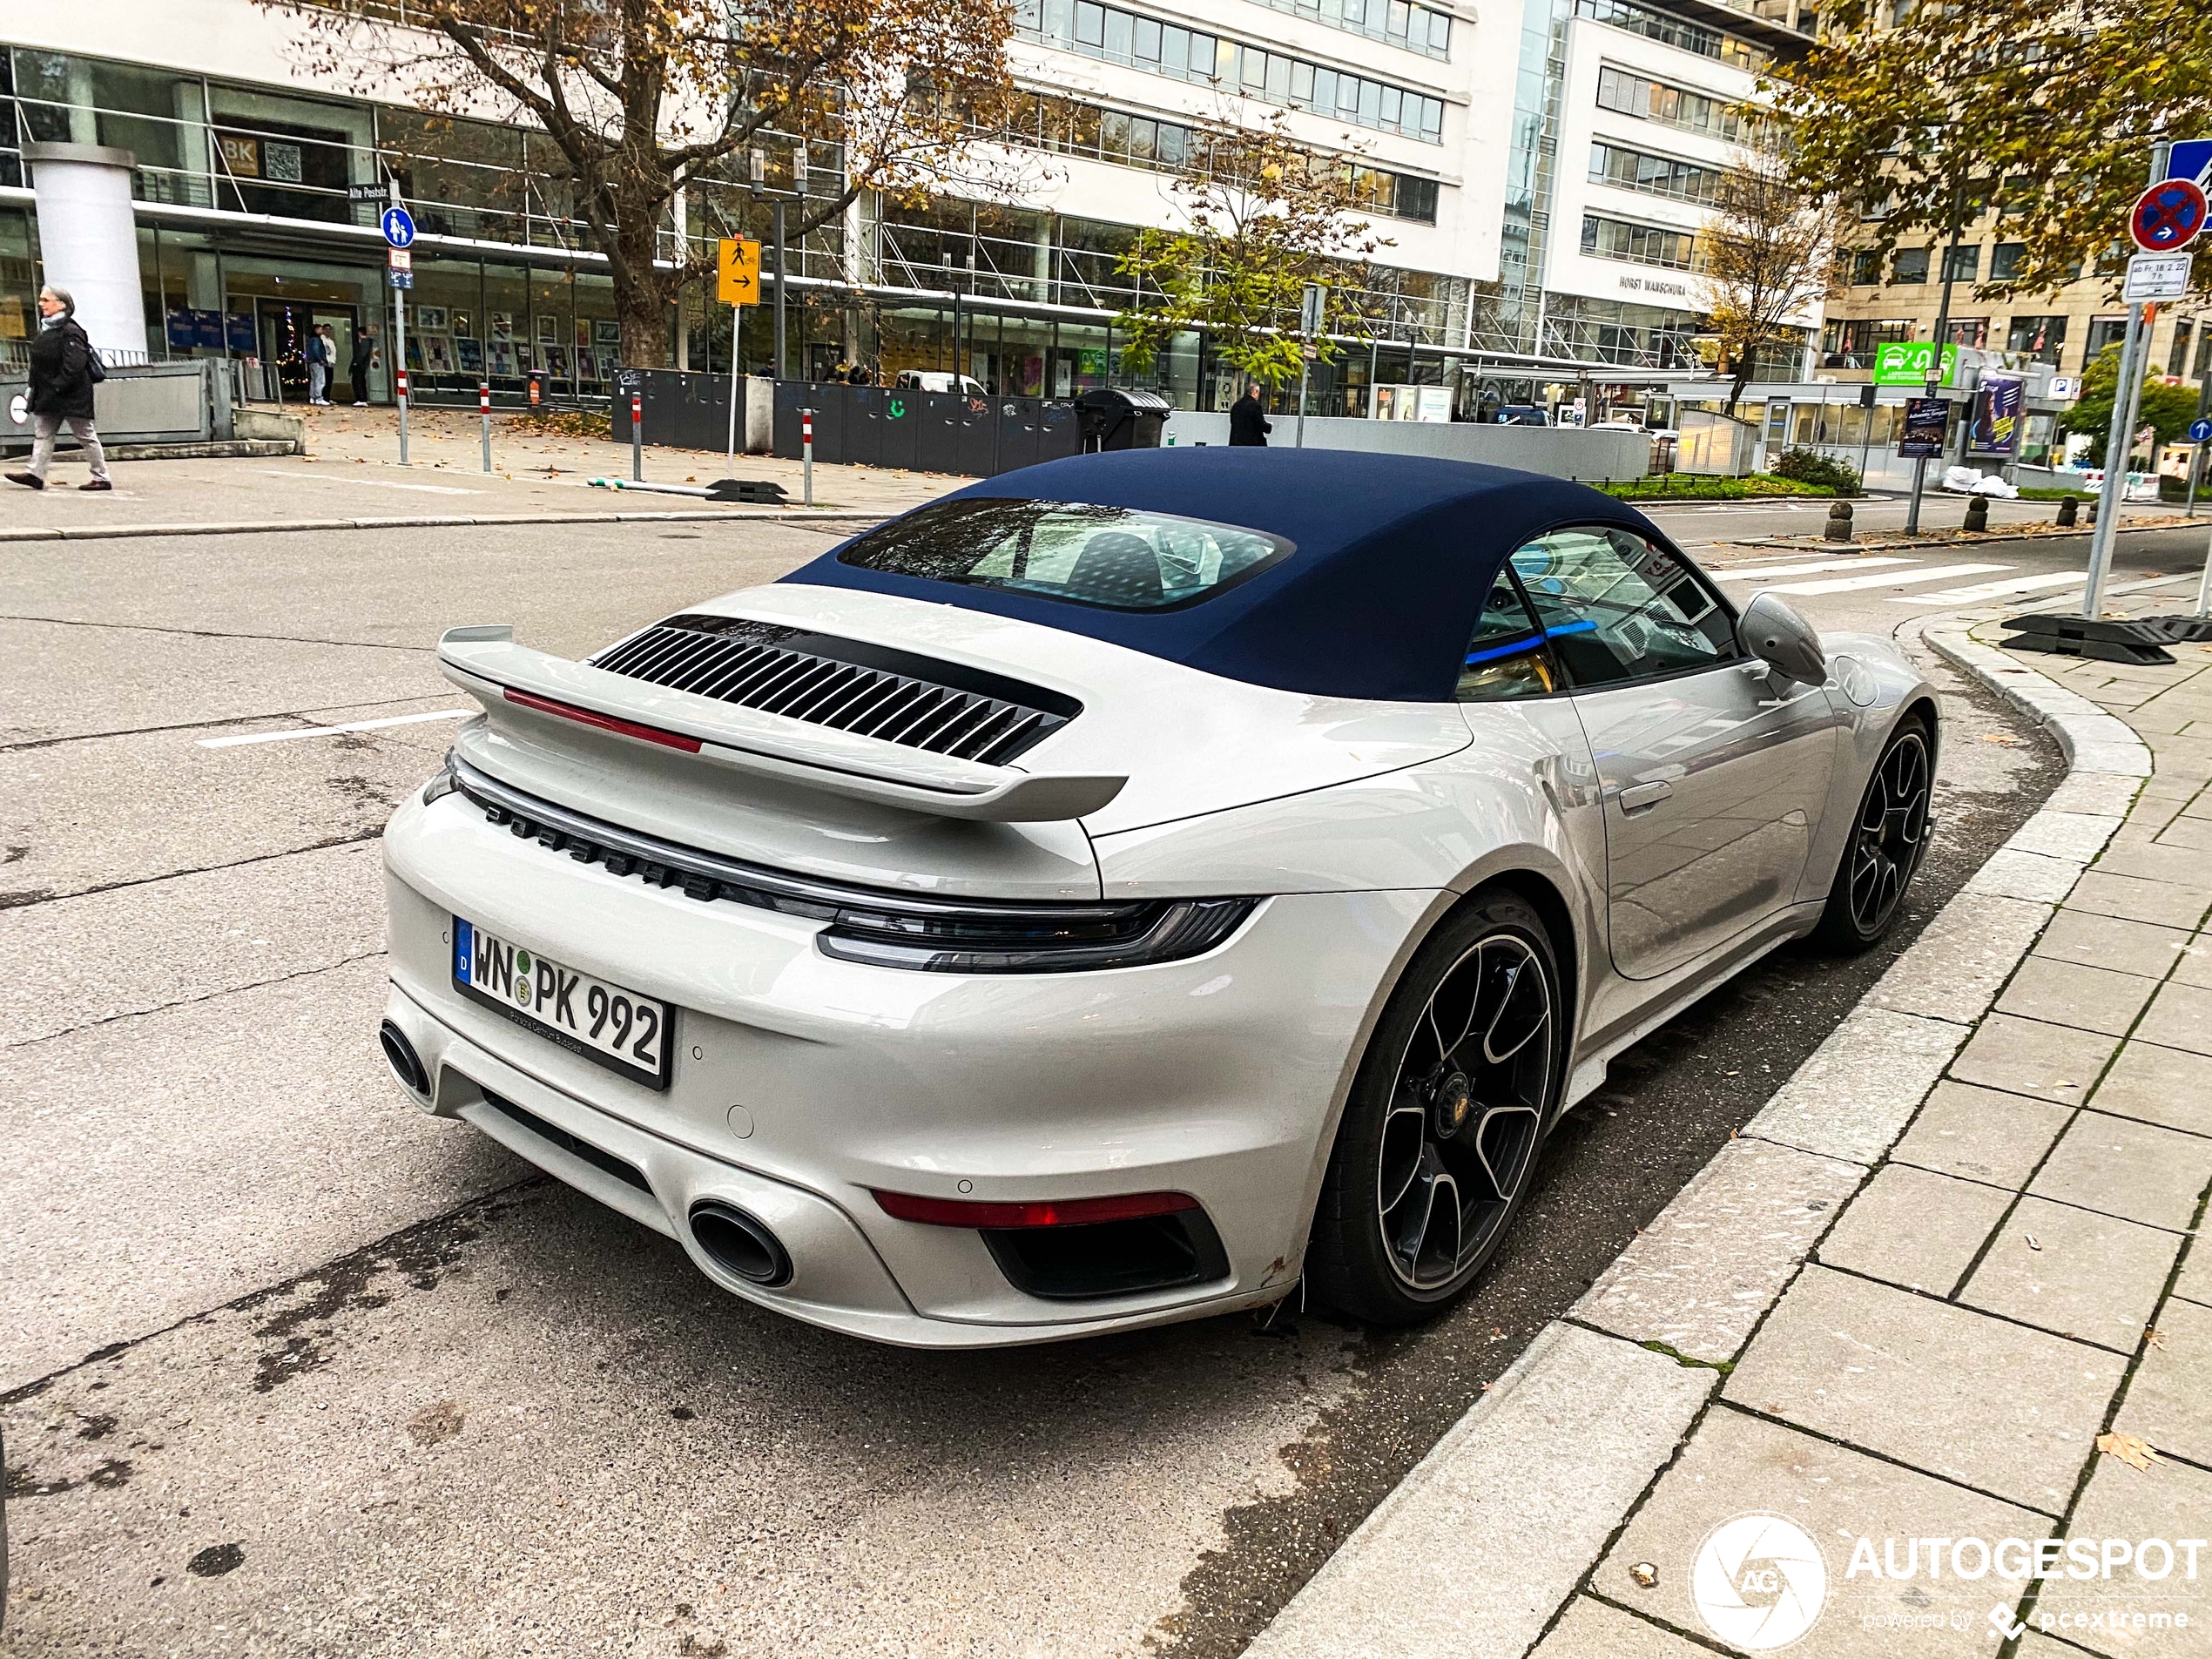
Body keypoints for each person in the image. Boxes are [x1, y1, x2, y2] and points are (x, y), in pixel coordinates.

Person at [6, 286, 111, 493]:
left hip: (71, 394)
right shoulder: (47, 329)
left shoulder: (70, 330)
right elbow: (39, 365)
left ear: (62, 304)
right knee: (43, 434)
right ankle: (35, 474)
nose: (41, 304)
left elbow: (74, 364)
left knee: (85, 435)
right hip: (49, 394)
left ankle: (102, 477)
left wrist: (56, 386)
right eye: (41, 300)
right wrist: (33, 389)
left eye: (46, 300)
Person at [1229, 380, 1271, 447]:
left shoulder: (1236, 405)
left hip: (1236, 443)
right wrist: (1269, 426)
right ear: (1255, 392)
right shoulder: (1255, 406)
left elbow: (1233, 422)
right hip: (1252, 444)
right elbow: (1260, 424)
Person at [304, 324, 334, 405]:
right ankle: (319, 397)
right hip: (317, 362)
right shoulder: (317, 340)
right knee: (320, 380)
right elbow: (316, 350)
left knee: (313, 380)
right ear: (316, 330)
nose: (322, 331)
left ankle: (312, 397)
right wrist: (320, 359)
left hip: (311, 362)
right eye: (321, 329)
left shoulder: (310, 339)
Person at [349, 325, 378, 407]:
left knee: (358, 381)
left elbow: (362, 354)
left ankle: (361, 398)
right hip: (361, 365)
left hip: (360, 365)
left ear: (360, 333)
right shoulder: (366, 342)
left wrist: (356, 362)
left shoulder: (365, 342)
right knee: (359, 381)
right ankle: (361, 398)